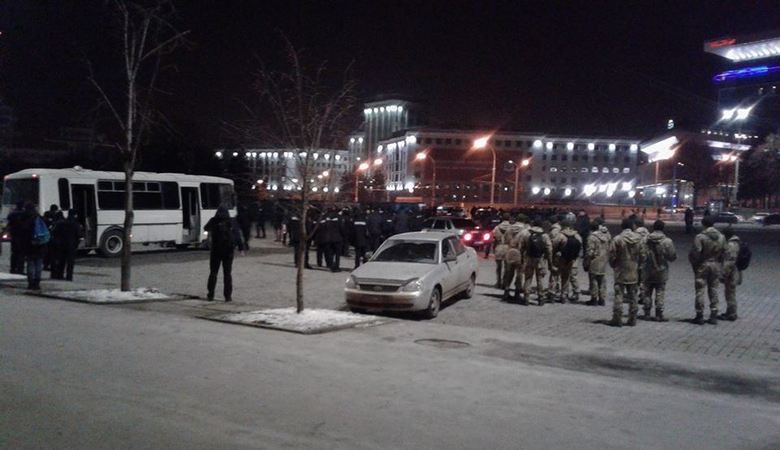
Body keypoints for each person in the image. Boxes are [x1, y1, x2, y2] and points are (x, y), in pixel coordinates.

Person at [688, 215, 726, 325]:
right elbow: (725, 252)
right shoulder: (721, 237)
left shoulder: (700, 237)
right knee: (714, 289)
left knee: (700, 289)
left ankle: (699, 315)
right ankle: (714, 314)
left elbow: (696, 252)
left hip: (703, 264)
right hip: (716, 264)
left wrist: (695, 264)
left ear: (704, 224)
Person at [608, 218, 645, 327]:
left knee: (619, 295)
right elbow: (643, 255)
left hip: (621, 270)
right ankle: (632, 319)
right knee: (633, 296)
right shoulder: (639, 239)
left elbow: (612, 255)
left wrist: (614, 265)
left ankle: (617, 318)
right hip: (634, 269)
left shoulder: (618, 239)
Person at [204, 206, 245, 302]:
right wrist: (241, 248)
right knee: (227, 274)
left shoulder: (213, 220)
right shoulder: (232, 221)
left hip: (216, 250)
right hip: (228, 251)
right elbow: (237, 235)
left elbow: (205, 228)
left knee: (213, 273)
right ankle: (228, 296)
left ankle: (210, 294)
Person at [641, 220, 677, 322]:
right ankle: (658, 314)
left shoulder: (645, 240)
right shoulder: (667, 241)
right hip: (661, 269)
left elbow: (641, 253)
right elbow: (672, 257)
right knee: (660, 291)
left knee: (647, 291)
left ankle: (647, 313)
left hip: (647, 269)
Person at [522, 219, 553, 306]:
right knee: (540, 279)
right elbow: (549, 249)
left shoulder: (526, 233)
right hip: (540, 259)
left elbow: (521, 246)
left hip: (528, 258)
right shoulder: (544, 235)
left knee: (528, 278)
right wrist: (550, 261)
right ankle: (541, 297)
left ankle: (526, 297)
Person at [18, 203, 47, 290]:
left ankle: (31, 283)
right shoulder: (39, 217)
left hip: (29, 244)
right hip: (40, 243)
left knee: (30, 263)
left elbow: (22, 232)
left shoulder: (23, 218)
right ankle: (37, 282)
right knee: (38, 263)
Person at [554, 220, 582, 303]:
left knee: (562, 276)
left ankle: (563, 295)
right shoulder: (577, 236)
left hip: (562, 258)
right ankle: (575, 292)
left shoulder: (560, 235)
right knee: (572, 276)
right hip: (573, 259)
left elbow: (554, 245)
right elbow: (580, 247)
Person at [585, 219, 611, 306]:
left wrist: (587, 261)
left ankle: (594, 298)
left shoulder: (592, 237)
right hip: (603, 260)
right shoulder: (606, 236)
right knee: (602, 280)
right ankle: (602, 299)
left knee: (594, 280)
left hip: (594, 260)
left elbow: (589, 252)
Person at [51, 210, 82, 281]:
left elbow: (54, 233)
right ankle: (69, 276)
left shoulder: (61, 223)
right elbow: (79, 235)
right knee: (70, 262)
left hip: (61, 244)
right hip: (71, 245)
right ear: (74, 215)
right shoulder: (75, 224)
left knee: (62, 260)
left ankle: (60, 274)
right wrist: (76, 244)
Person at [501, 215, 525, 302]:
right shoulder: (524, 231)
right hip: (519, 253)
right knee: (519, 275)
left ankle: (506, 292)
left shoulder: (508, 229)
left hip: (510, 251)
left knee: (509, 274)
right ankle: (517, 293)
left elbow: (505, 241)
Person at [719, 227, 741, 321]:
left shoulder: (731, 245)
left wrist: (723, 274)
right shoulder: (736, 243)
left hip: (731, 273)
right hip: (734, 271)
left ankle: (732, 313)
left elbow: (729, 261)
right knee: (730, 292)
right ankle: (730, 311)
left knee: (730, 293)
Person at [492, 213, 512, 289]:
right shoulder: (511, 228)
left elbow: (494, 239)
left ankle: (498, 282)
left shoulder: (497, 228)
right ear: (509, 218)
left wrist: (494, 248)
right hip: (508, 247)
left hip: (499, 246)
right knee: (507, 268)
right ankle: (505, 283)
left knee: (498, 267)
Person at [7, 201, 26, 274]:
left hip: (14, 234)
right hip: (22, 235)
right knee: (21, 253)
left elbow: (9, 223)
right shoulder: (24, 214)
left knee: (14, 253)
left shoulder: (12, 214)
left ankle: (13, 268)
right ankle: (20, 269)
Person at [547, 221, 562, 300]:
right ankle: (559, 289)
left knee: (554, 273)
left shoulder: (554, 231)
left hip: (555, 254)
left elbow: (552, 244)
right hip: (562, 255)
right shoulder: (562, 230)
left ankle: (552, 291)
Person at [42, 204, 59, 270]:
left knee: (46, 252)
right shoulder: (55, 217)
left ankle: (45, 265)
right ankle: (51, 265)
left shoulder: (45, 216)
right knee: (52, 253)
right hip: (52, 237)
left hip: (44, 236)